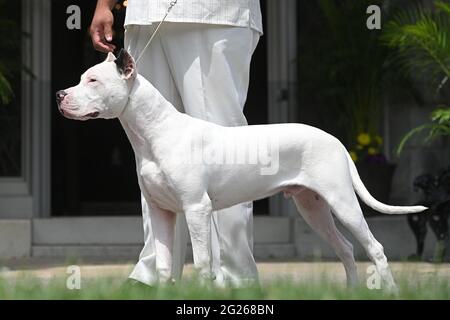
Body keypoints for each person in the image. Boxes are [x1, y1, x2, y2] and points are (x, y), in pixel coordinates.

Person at [90, 0, 263, 287]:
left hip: (212, 14)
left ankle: (233, 278)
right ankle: (157, 273)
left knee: (222, 148)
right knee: (152, 148)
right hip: (145, 14)